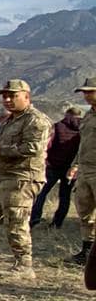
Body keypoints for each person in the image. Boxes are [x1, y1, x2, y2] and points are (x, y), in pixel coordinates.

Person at [0, 81, 51, 280]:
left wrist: (0, 150)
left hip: (22, 178)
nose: (7, 100)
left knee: (16, 222)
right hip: (2, 177)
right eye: (4, 96)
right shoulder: (12, 120)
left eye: (12, 96)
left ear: (26, 96)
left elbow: (32, 148)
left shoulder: (36, 120)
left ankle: (24, 265)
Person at [30, 106, 83, 230]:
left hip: (52, 166)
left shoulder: (57, 126)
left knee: (41, 193)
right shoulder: (83, 129)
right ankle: (57, 223)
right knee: (65, 196)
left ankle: (35, 219)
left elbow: (47, 145)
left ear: (67, 114)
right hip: (71, 168)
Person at [69, 77, 96, 264]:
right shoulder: (88, 116)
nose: (86, 95)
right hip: (85, 170)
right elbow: (83, 144)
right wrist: (75, 165)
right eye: (84, 92)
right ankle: (87, 251)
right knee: (85, 211)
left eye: (90, 91)